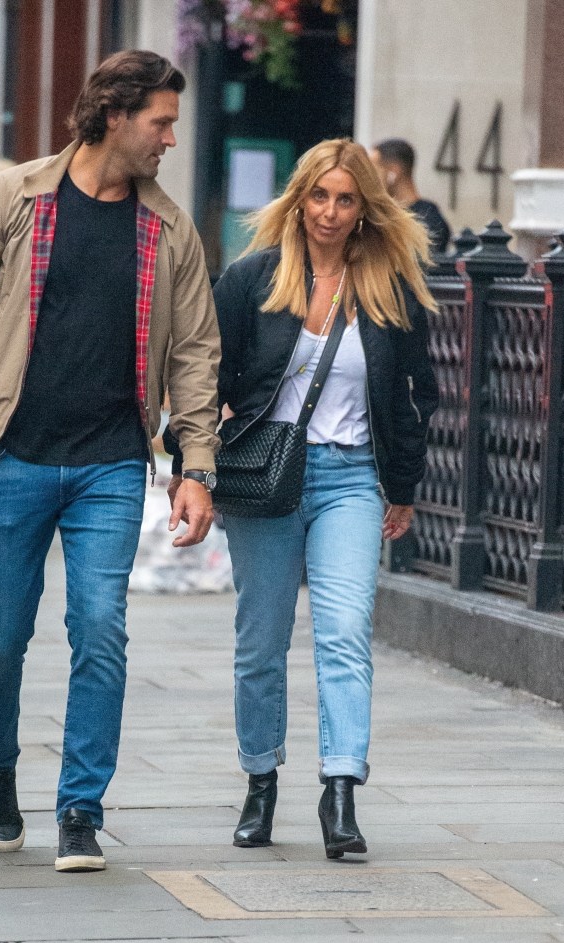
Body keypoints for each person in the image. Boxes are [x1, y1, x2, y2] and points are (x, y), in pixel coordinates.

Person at [0, 50, 220, 873]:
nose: (167, 139)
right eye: (159, 122)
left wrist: (197, 465)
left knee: (102, 627)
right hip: (8, 453)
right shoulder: (11, 200)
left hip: (111, 463)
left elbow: (194, 351)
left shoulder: (168, 228)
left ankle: (81, 807)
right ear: (115, 116)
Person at [212, 138, 438, 858]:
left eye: (346, 199)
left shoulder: (390, 290)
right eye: (319, 196)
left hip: (349, 481)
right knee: (261, 643)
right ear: (298, 197)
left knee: (344, 633)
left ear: (366, 207)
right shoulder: (252, 281)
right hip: (267, 479)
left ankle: (340, 789)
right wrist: (194, 457)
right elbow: (206, 376)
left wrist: (401, 486)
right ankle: (260, 781)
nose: (330, 213)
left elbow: (413, 398)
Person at [370, 138, 451, 257]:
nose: (368, 177)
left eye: (373, 170)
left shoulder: (429, 219)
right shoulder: (378, 214)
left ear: (393, 171)